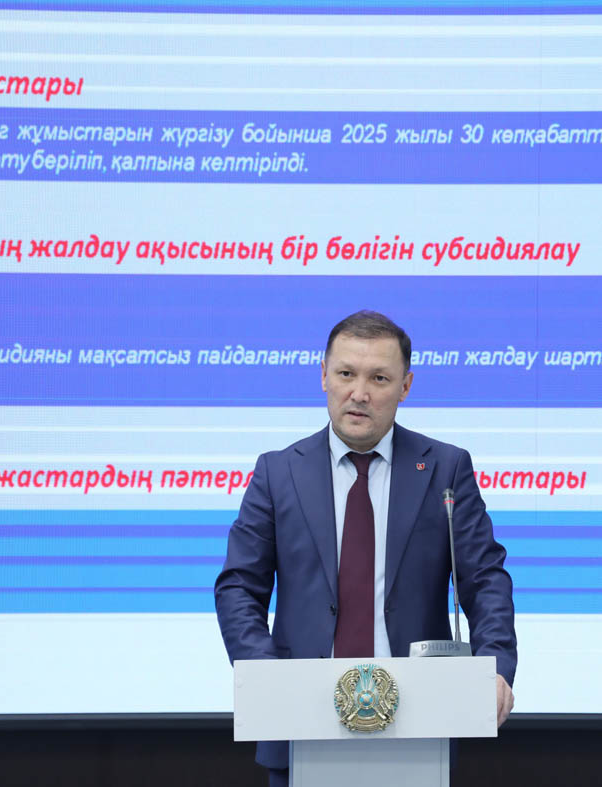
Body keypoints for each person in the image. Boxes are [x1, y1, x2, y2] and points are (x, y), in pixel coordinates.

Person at [214, 310, 517, 787]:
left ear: (405, 386)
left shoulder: (446, 468)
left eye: (379, 378)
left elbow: (485, 580)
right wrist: (266, 676)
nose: (360, 393)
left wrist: (495, 666)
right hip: (300, 721)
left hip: (420, 723)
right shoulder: (277, 472)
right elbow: (238, 588)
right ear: (323, 376)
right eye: (346, 374)